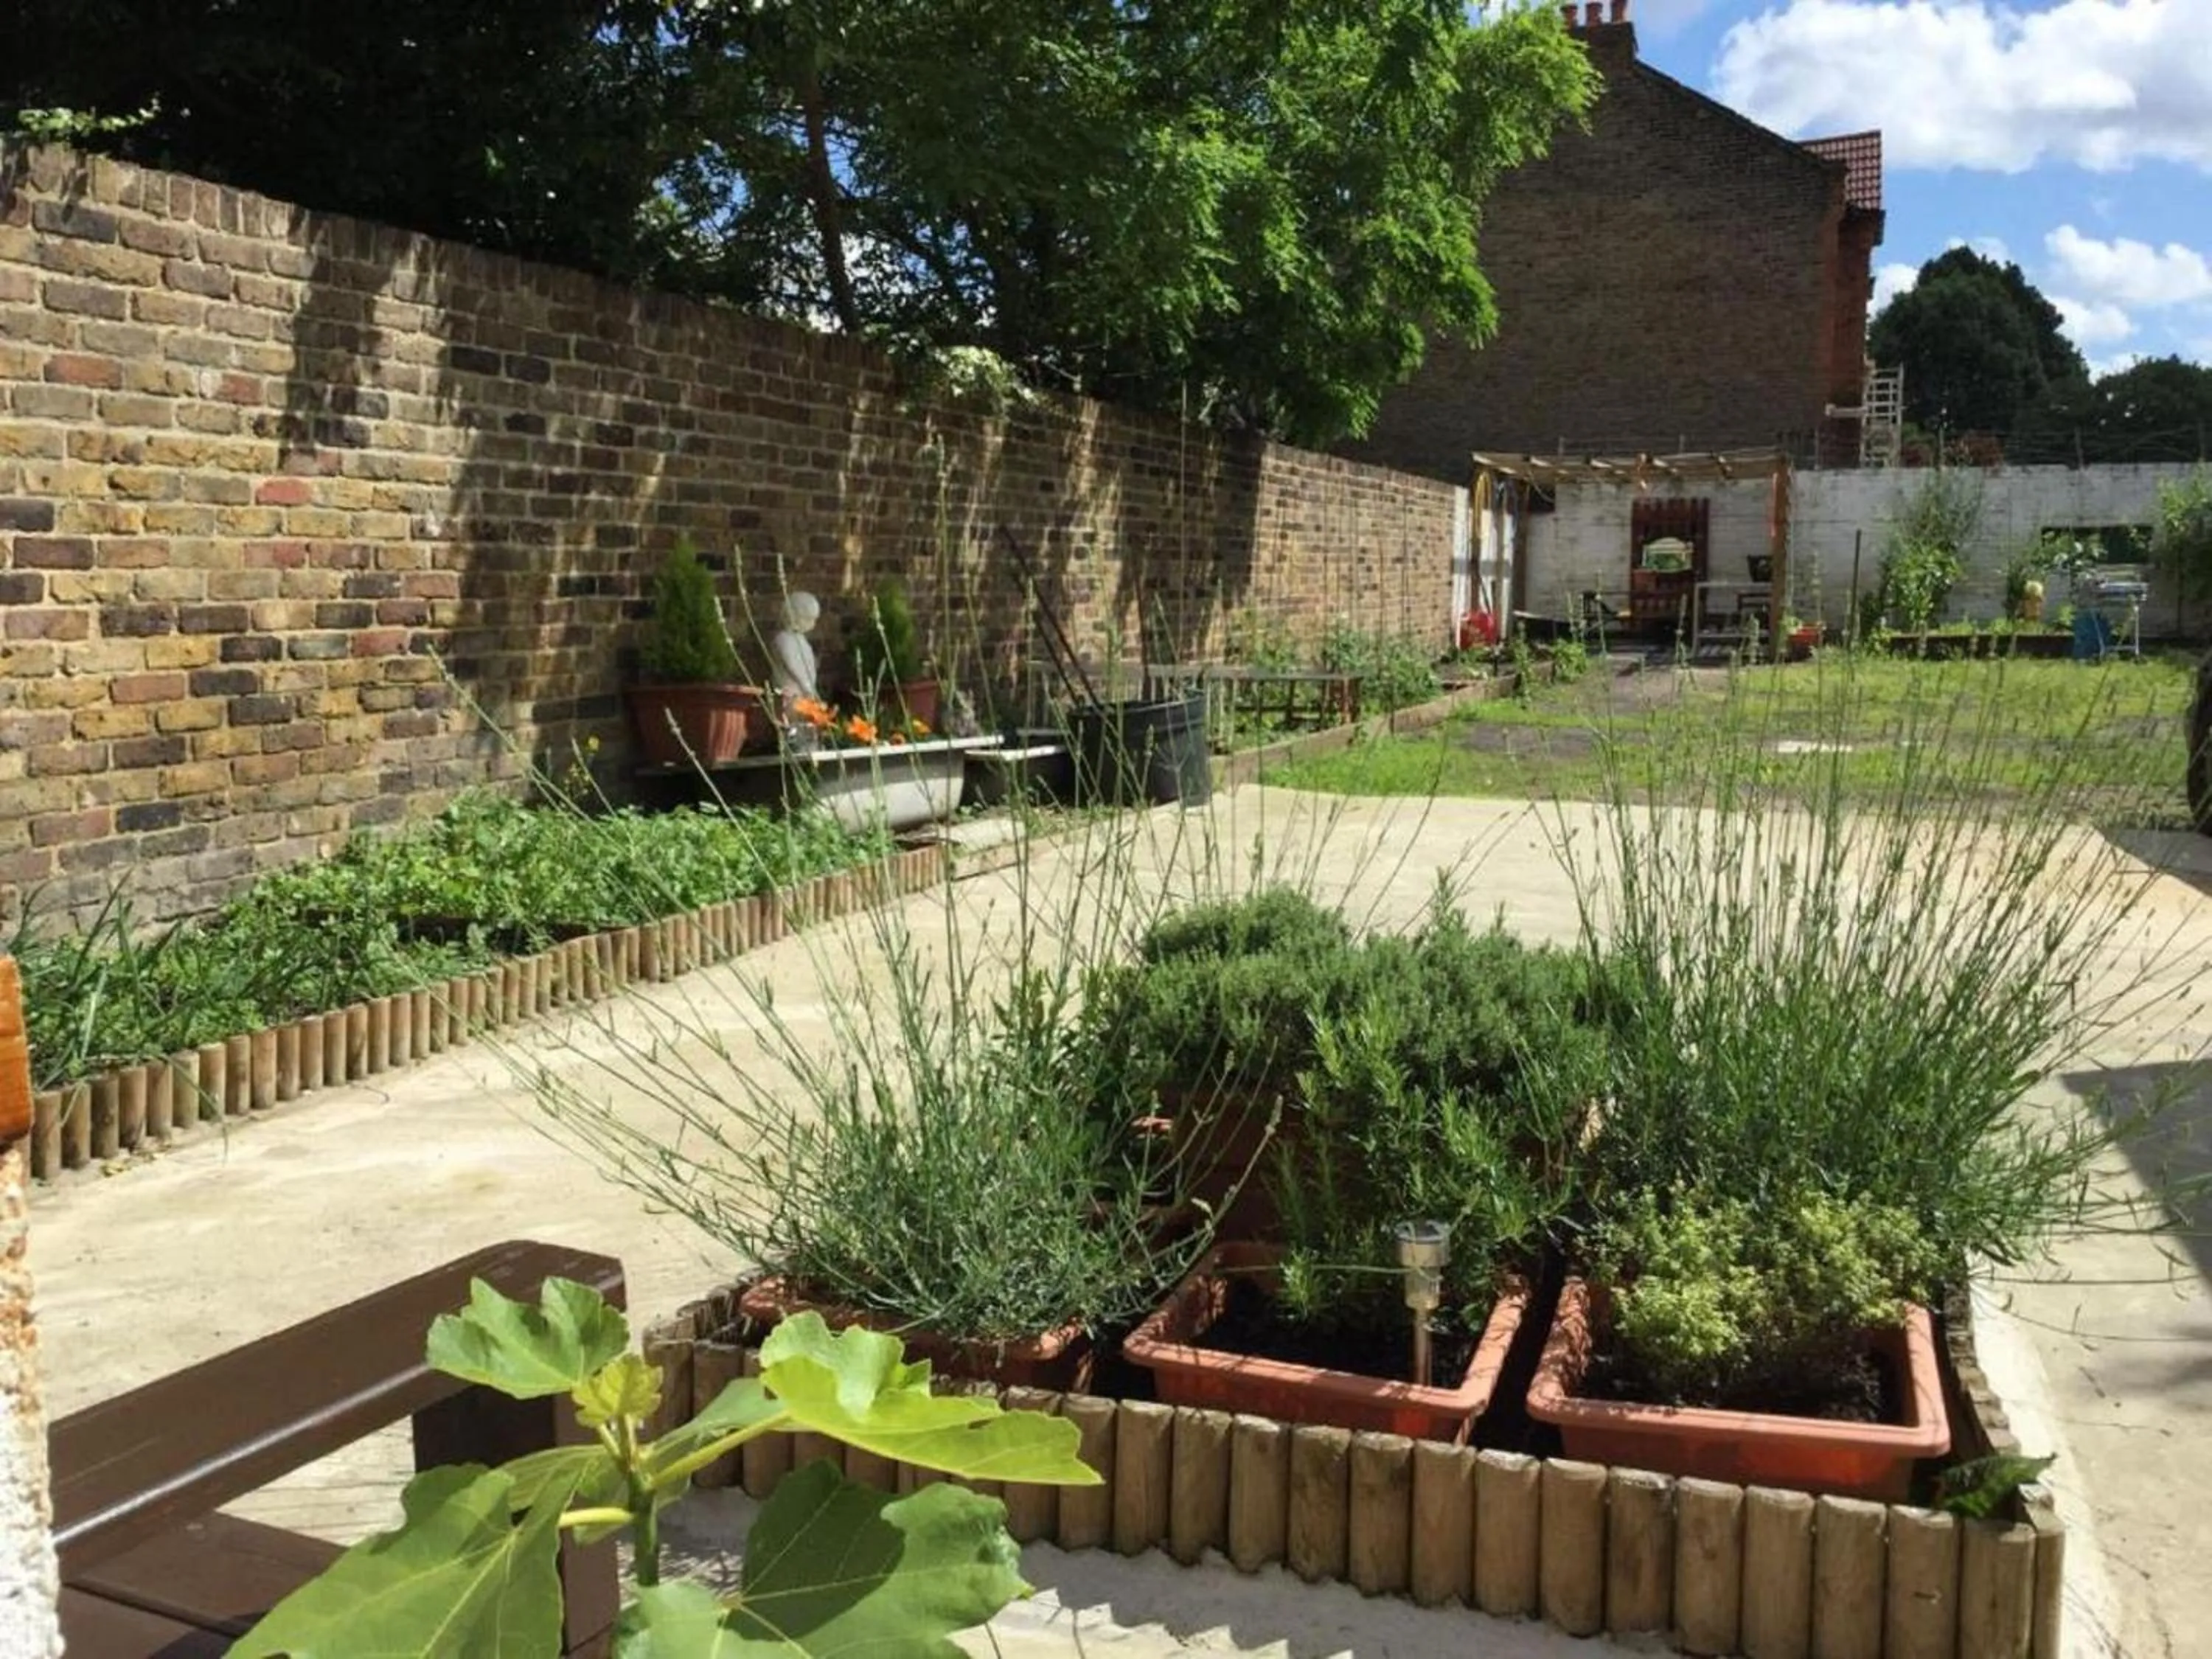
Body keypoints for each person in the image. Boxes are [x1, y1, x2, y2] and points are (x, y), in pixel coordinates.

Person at [768, 591, 821, 712]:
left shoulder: (801, 640)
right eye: (808, 619)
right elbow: (795, 667)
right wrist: (808, 688)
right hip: (791, 693)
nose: (812, 624)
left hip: (805, 694)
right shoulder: (785, 639)